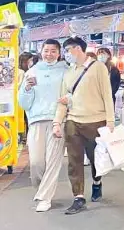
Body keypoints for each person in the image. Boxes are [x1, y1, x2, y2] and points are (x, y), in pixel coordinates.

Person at [53, 36, 116, 215]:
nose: (66, 54)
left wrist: (110, 121)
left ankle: (97, 181)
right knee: (74, 161)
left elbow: (107, 94)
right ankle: (78, 197)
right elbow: (62, 100)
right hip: (73, 121)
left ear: (78, 49)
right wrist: (57, 122)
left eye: (68, 50)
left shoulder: (98, 68)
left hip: (95, 121)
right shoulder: (68, 72)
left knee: (95, 157)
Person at [17, 39, 68, 212]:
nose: (49, 54)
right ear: (41, 51)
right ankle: (41, 190)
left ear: (59, 53)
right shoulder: (32, 72)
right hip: (36, 121)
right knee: (37, 162)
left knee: (53, 161)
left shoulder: (65, 71)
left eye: (53, 51)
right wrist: (27, 89)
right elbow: (24, 103)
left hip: (57, 121)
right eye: (46, 50)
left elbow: (71, 94)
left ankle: (45, 198)